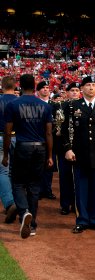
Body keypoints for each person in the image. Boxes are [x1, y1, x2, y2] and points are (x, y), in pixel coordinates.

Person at [61, 76, 95, 234]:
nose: (91, 87)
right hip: (79, 154)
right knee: (81, 189)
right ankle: (82, 220)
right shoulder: (72, 106)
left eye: (93, 85)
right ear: (82, 88)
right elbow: (65, 129)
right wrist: (68, 149)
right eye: (88, 85)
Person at [2, 74, 53, 238]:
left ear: (20, 86)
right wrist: (50, 155)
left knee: (17, 184)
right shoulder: (45, 106)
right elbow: (49, 132)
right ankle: (32, 225)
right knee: (34, 186)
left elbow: (8, 132)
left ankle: (24, 212)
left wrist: (5, 154)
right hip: (40, 148)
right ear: (34, 85)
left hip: (22, 147)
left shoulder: (14, 104)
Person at [56, 82, 79, 215]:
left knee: (79, 177)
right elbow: (56, 125)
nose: (75, 92)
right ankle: (65, 204)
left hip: (79, 148)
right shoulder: (61, 106)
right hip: (63, 148)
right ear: (67, 93)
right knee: (65, 178)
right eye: (72, 90)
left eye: (77, 90)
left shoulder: (84, 106)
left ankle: (77, 204)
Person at [0, 76, 18, 223]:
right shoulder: (20, 101)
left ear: (2, 86)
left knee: (2, 171)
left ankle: (10, 203)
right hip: (20, 138)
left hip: (1, 137)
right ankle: (21, 204)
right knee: (15, 171)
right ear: (15, 86)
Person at [36, 80, 57, 200]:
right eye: (43, 87)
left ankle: (47, 190)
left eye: (47, 87)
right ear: (38, 91)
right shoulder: (35, 104)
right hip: (37, 138)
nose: (45, 89)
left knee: (49, 166)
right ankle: (38, 190)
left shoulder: (54, 105)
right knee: (38, 166)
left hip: (51, 139)